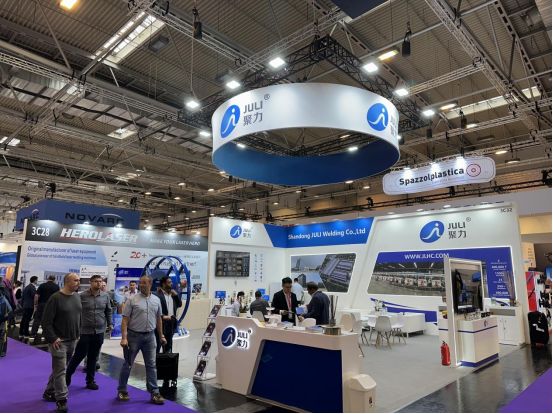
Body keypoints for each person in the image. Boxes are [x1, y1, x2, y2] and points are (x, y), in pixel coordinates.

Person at [117, 275, 165, 405]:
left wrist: (161, 336)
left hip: (150, 337)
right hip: (134, 337)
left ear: (150, 284)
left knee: (151, 365)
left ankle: (154, 392)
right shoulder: (132, 300)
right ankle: (122, 390)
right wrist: (124, 338)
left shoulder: (156, 300)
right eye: (140, 283)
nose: (141, 285)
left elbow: (159, 319)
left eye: (144, 283)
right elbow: (125, 320)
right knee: (128, 364)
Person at [41, 273, 81, 413]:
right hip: (59, 342)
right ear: (67, 281)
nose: (78, 282)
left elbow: (78, 317)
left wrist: (78, 334)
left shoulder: (77, 297)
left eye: (79, 280)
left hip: (72, 340)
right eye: (76, 280)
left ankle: (49, 391)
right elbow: (46, 322)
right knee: (61, 371)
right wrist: (53, 338)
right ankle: (62, 400)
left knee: (59, 369)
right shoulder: (55, 298)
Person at [65, 275, 112, 390]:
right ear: (90, 282)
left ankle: (90, 381)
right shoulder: (81, 296)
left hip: (99, 332)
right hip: (85, 331)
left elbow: (108, 311)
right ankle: (66, 378)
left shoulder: (105, 296)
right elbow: (75, 312)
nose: (98, 283)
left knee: (93, 357)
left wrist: (110, 323)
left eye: (100, 281)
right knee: (78, 356)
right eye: (96, 281)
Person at [155, 276, 182, 354]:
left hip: (171, 324)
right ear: (163, 284)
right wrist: (162, 316)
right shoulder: (157, 295)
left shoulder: (173, 294)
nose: (171, 284)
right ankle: (155, 360)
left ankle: (166, 359)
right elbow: (154, 310)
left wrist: (176, 295)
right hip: (160, 323)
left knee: (168, 347)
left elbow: (179, 304)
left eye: (171, 282)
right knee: (157, 346)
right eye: (169, 282)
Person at [31, 275, 60, 343]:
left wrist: (35, 304)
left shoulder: (42, 285)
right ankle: (44, 336)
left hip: (41, 304)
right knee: (48, 321)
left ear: (48, 279)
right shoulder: (56, 287)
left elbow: (36, 296)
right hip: (51, 306)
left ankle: (33, 335)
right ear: (54, 280)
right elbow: (58, 297)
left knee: (37, 319)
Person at [0, 281, 13, 357]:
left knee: (3, 336)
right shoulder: (5, 292)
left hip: (3, 318)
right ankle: (2, 351)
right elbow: (10, 309)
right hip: (3, 318)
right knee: (2, 336)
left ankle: (2, 351)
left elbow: (10, 309)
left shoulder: (4, 295)